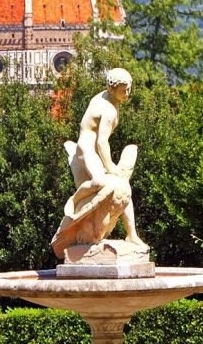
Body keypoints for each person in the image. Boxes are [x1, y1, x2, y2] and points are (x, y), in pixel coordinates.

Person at [51, 68, 146, 259]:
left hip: (90, 149)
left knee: (122, 188)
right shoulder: (109, 109)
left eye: (129, 89)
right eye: (123, 90)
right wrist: (111, 167)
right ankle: (75, 202)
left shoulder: (107, 98)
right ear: (112, 89)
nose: (127, 94)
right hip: (87, 150)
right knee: (101, 182)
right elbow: (102, 142)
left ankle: (131, 234)